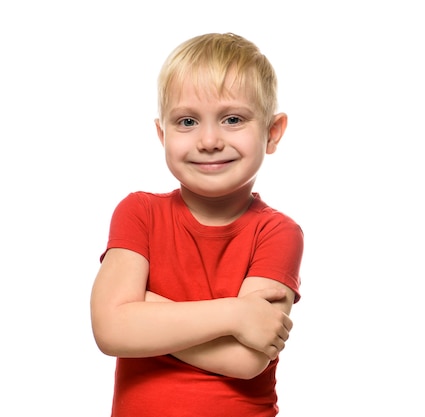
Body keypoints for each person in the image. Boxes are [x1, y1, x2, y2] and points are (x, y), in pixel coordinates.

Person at [90, 32, 304, 417]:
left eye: (232, 119)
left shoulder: (278, 232)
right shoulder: (138, 212)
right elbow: (109, 330)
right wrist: (234, 314)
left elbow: (246, 357)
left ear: (272, 132)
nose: (208, 140)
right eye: (187, 121)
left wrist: (140, 311)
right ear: (163, 134)